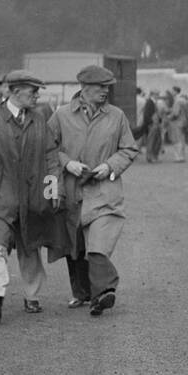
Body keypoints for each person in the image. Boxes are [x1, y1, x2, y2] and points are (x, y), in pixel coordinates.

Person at [0, 70, 61, 324]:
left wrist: (52, 191)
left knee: (30, 247)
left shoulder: (40, 119)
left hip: (32, 198)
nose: (38, 95)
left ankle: (32, 296)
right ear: (15, 92)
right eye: (33, 90)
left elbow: (51, 156)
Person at [48, 66, 140, 315]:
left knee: (97, 243)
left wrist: (109, 166)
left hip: (104, 190)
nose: (106, 91)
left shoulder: (117, 116)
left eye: (108, 86)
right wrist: (68, 163)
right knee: (74, 244)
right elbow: (47, 148)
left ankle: (104, 291)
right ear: (85, 89)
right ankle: (82, 294)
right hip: (70, 189)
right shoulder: (61, 116)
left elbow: (129, 149)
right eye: (101, 87)